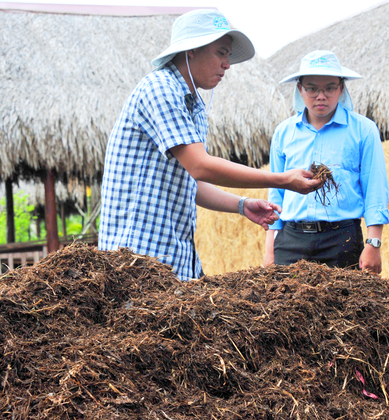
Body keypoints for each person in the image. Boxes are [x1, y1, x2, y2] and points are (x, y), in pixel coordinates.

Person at [99, 9, 323, 280]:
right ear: (191, 50)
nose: (227, 64)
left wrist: (242, 205)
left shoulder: (194, 106)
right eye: (221, 52)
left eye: (228, 55)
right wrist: (281, 180)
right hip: (135, 260)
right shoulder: (159, 88)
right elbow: (200, 166)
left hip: (174, 260)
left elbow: (190, 182)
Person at [263, 51, 389, 273]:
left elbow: (375, 189)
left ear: (341, 88)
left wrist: (374, 243)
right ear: (300, 89)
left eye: (329, 88)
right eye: (312, 88)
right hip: (291, 240)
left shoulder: (363, 130)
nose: (321, 96)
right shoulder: (284, 132)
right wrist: (270, 247)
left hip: (342, 240)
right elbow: (276, 193)